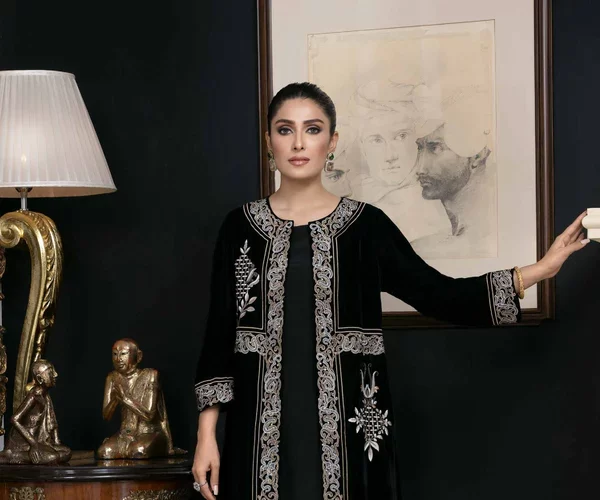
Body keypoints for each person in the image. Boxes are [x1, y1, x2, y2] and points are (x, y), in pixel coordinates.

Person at [191, 82, 588, 500]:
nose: (299, 143)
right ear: (269, 140)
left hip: (352, 429)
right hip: (257, 430)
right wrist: (206, 436)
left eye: (313, 129)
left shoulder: (366, 226)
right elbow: (219, 335)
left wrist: (539, 270)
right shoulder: (240, 229)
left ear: (332, 141)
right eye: (285, 129)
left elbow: (440, 294)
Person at [346, 80, 450, 243]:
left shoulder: (432, 210)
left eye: (401, 136)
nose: (390, 156)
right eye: (376, 140)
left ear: (419, 141)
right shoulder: (353, 194)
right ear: (362, 146)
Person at [98, 338, 179, 459]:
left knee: (138, 451)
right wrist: (115, 399)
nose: (118, 359)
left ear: (138, 356)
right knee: (105, 452)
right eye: (115, 354)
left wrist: (125, 399)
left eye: (123, 354)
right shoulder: (113, 378)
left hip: (148, 432)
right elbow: (106, 416)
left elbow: (149, 415)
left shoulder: (150, 375)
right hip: (125, 433)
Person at [0, 359, 71, 465]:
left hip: (39, 441)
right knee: (53, 457)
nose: (55, 375)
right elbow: (14, 419)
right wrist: (33, 444)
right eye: (50, 372)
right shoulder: (34, 395)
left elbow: (52, 421)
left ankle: (40, 454)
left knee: (67, 452)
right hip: (24, 444)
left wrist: (56, 442)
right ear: (40, 379)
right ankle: (13, 456)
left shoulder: (45, 396)